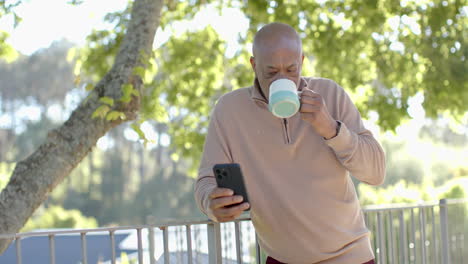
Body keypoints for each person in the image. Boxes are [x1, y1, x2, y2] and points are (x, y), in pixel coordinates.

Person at [194, 22, 385, 264]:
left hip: (351, 257)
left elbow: (376, 173)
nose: (281, 80)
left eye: (291, 69)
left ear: (302, 61)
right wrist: (212, 204)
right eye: (271, 72)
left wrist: (331, 128)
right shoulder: (229, 110)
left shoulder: (330, 94)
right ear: (254, 65)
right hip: (281, 260)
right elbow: (205, 182)